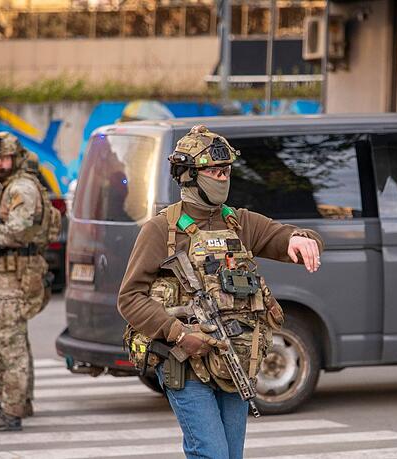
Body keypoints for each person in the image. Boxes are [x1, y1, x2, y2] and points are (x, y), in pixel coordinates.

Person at [118, 125, 323, 459]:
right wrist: (179, 333)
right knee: (211, 453)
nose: (223, 177)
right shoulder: (161, 230)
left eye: (226, 170)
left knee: (231, 455)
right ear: (188, 175)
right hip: (184, 362)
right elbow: (129, 298)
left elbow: (284, 237)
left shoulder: (238, 223)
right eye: (214, 170)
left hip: (234, 360)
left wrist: (301, 238)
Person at [0, 132, 60, 432]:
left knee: (10, 341)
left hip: (16, 273)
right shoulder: (0, 186)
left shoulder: (21, 187)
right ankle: (13, 398)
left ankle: (11, 409)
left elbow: (18, 231)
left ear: (16, 158)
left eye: (5, 158)